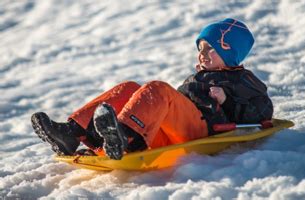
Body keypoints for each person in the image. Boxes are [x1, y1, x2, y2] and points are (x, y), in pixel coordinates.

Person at [31, 18, 273, 160]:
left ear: (230, 54)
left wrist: (227, 100)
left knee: (158, 89)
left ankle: (123, 138)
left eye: (211, 49)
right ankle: (73, 133)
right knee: (130, 88)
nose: (202, 54)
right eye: (200, 47)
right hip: (170, 131)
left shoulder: (243, 81)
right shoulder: (198, 77)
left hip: (206, 129)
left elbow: (264, 112)